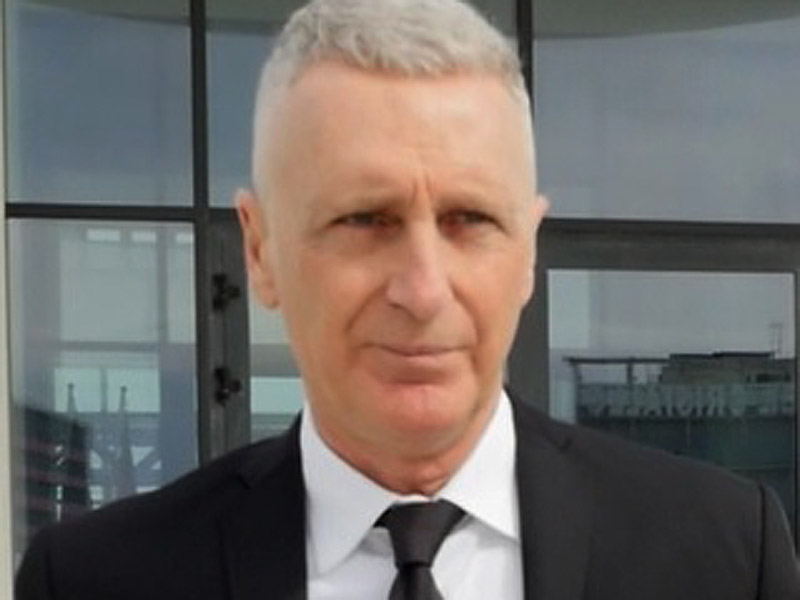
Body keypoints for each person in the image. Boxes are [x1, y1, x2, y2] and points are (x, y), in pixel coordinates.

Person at [15, 0, 800, 598]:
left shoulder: (725, 557)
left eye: (470, 220)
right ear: (260, 252)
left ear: (527, 252)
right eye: (365, 220)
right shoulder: (95, 580)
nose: (422, 291)